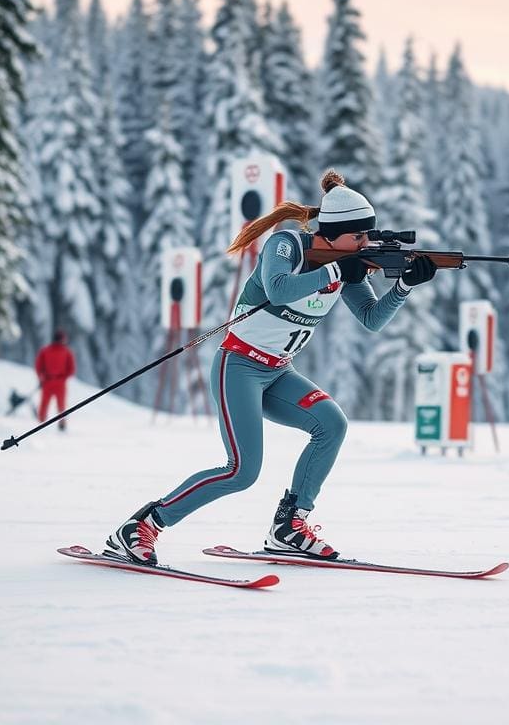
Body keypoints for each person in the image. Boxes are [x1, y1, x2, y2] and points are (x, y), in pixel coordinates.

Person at [104, 170, 437, 565]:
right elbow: (278, 288)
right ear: (331, 233)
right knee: (242, 471)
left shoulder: (346, 263)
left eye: (369, 237)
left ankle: (289, 528)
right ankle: (141, 526)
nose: (366, 244)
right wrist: (335, 271)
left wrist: (402, 287)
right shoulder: (287, 245)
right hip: (239, 367)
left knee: (332, 424)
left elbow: (371, 318)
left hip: (278, 372)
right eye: (359, 237)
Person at [35, 329, 76, 431]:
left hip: (54, 381)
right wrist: (41, 377)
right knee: (47, 403)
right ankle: (42, 421)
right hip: (51, 381)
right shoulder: (48, 351)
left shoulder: (64, 352)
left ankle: (56, 422)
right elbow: (39, 366)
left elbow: (71, 369)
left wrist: (42, 377)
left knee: (58, 403)